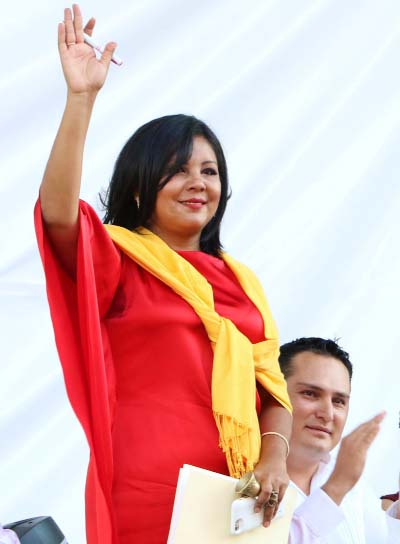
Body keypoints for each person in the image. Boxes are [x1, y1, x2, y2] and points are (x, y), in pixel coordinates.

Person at [34, 5, 292, 543]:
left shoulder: (242, 282)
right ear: (137, 186)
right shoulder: (118, 258)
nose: (197, 183)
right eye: (177, 169)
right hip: (149, 493)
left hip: (238, 498)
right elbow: (58, 214)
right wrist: (81, 100)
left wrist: (274, 459)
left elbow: (273, 391)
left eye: (209, 171)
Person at [278, 337, 400, 543]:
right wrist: (337, 487)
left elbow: (384, 538)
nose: (327, 413)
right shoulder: (236, 475)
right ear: (273, 395)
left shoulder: (355, 487)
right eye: (310, 394)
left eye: (338, 401)